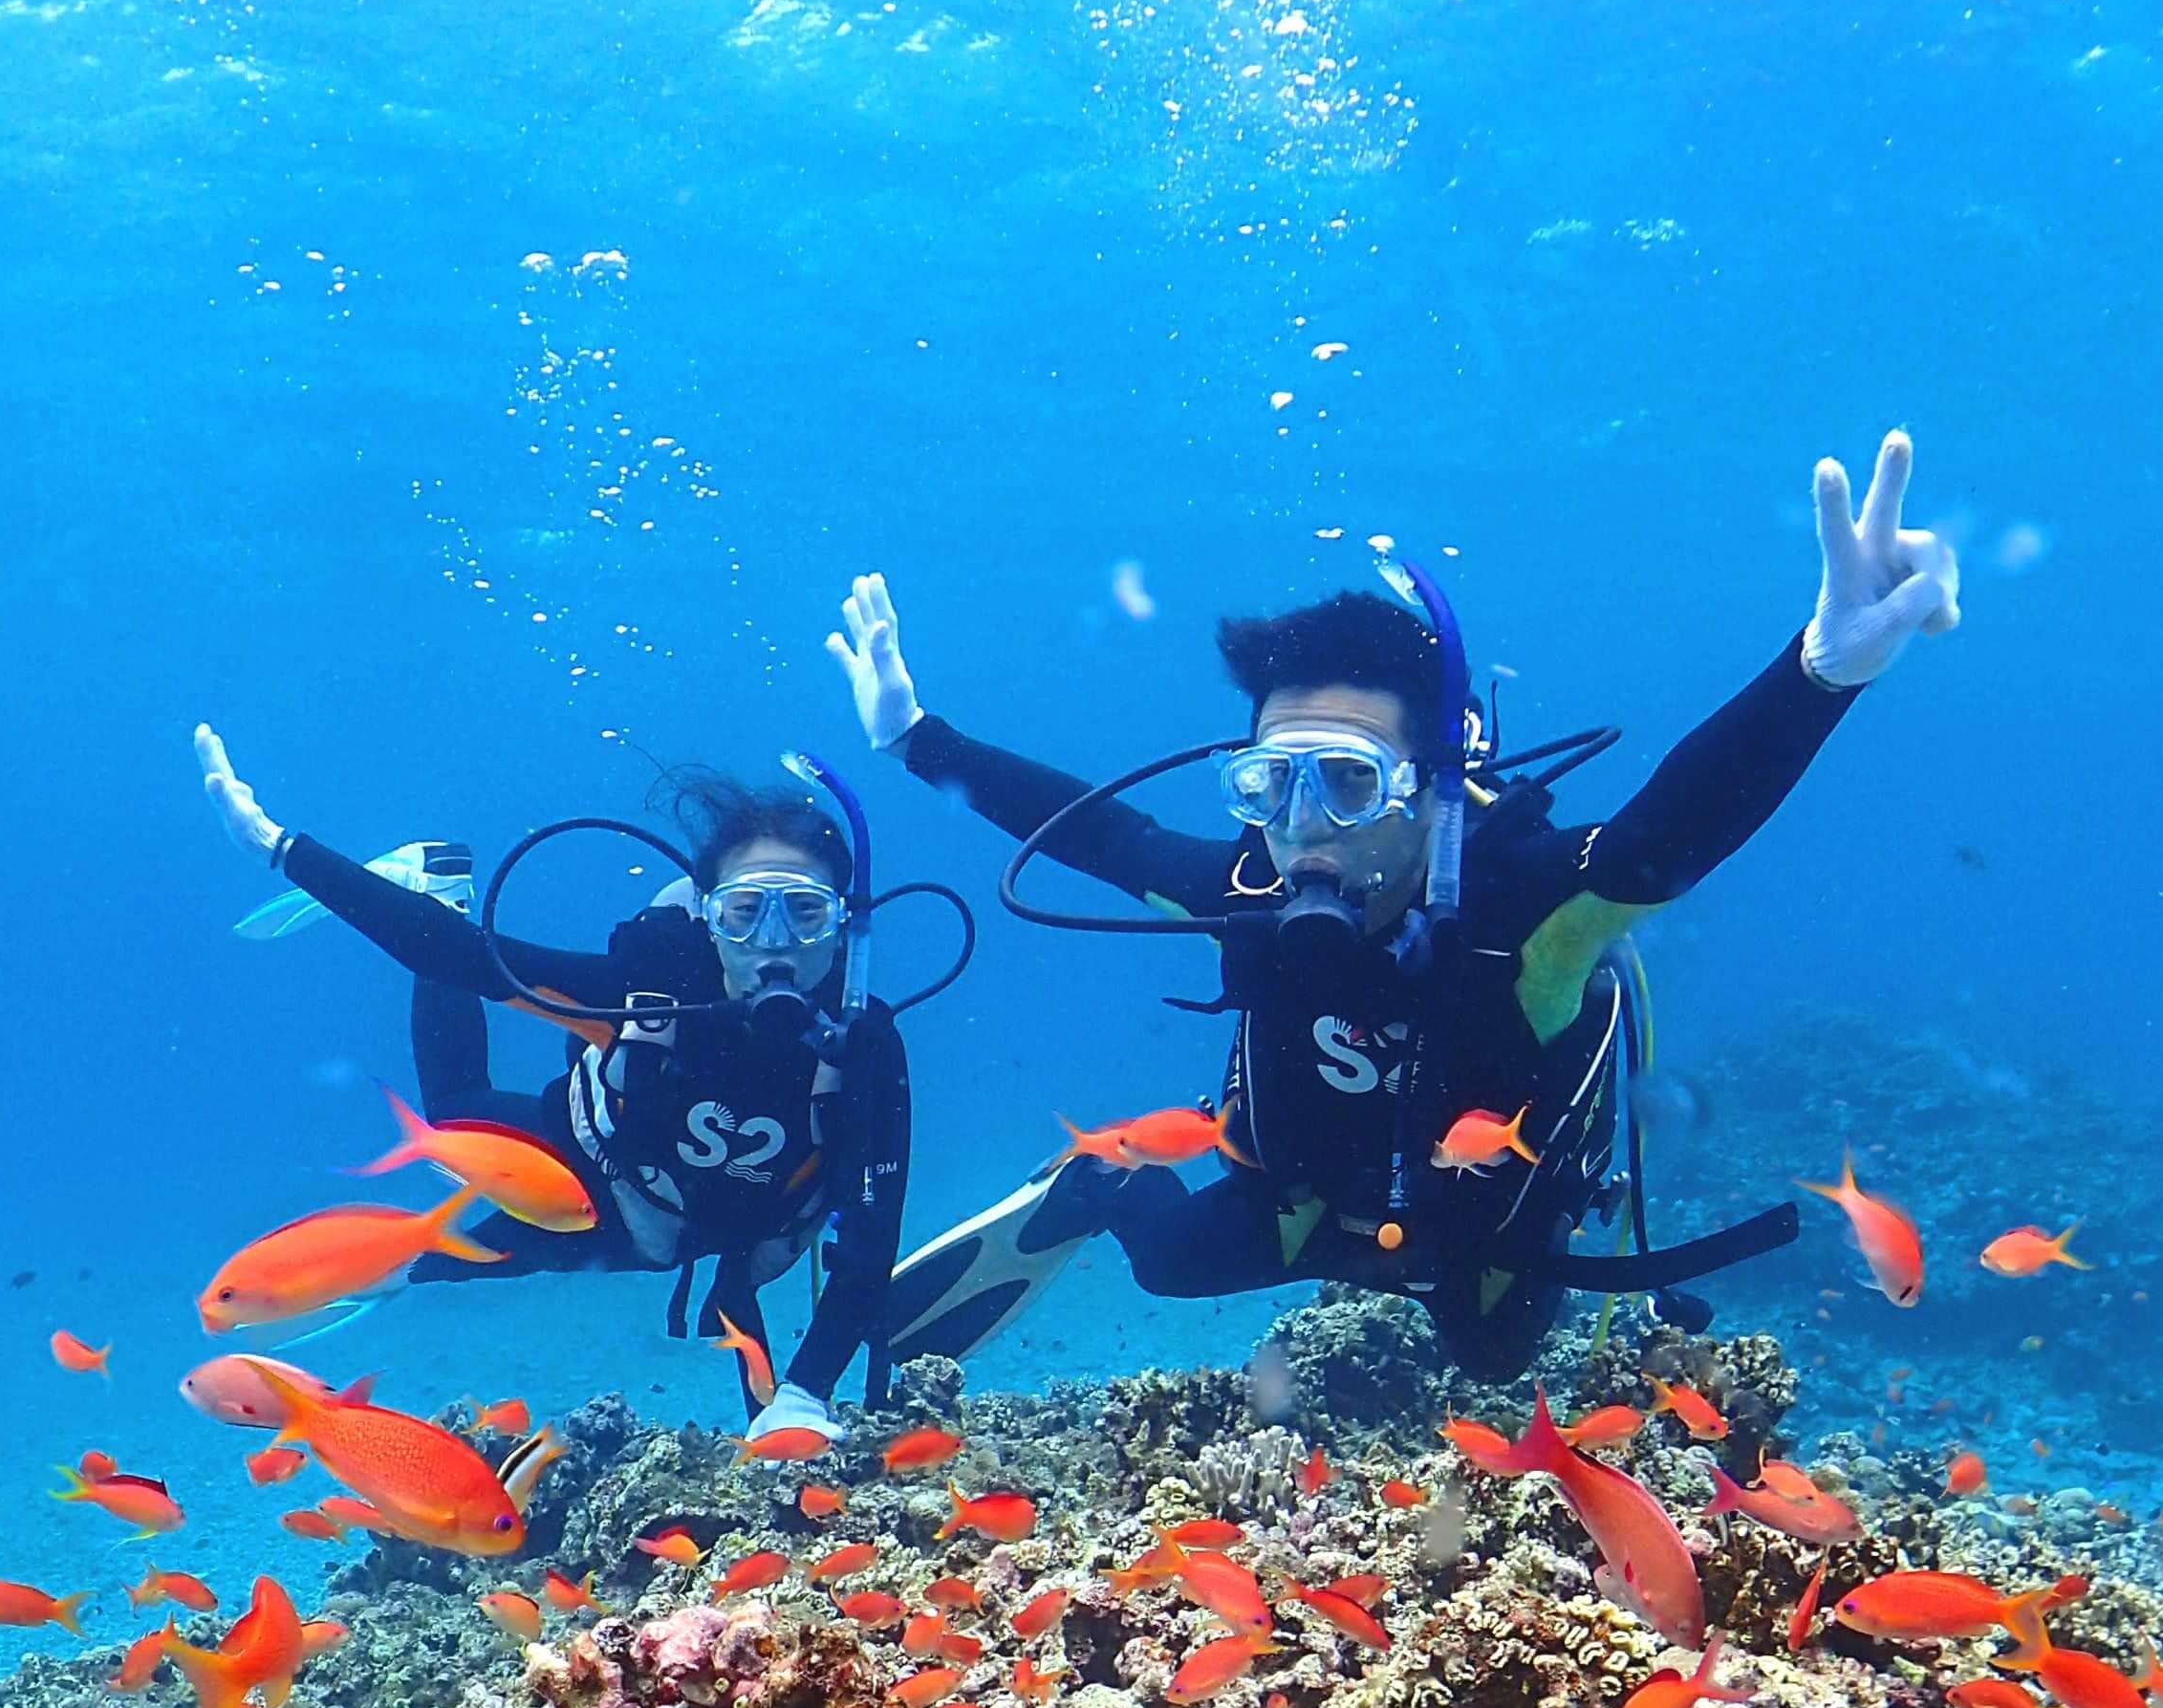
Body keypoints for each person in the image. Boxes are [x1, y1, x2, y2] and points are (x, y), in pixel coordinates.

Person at [842, 433, 1962, 1377]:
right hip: (1300, 1197)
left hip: (1476, 1218)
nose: (1303, 825)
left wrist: (1818, 677)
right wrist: (913, 739)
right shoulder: (1247, 891)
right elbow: (1099, 831)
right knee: (1169, 1264)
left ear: (1432, 790)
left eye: (1348, 780)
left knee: (1497, 1357)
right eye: (1270, 783)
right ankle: (1093, 1185)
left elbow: (1667, 834)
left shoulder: (1522, 902)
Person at [193, 729, 913, 1441]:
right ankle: (442, 886)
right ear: (708, 917)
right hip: (587, 1177)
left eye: (807, 913)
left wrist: (805, 1396)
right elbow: (473, 960)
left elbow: (869, 1245)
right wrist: (285, 851)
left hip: (716, 1233)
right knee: (449, 1132)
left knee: (449, 1260)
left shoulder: (865, 1053)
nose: (774, 944)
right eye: (746, 913)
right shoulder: (657, 987)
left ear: (846, 926)